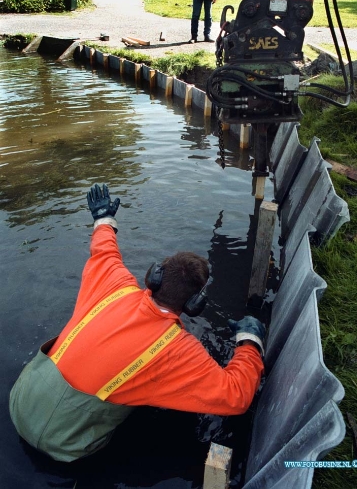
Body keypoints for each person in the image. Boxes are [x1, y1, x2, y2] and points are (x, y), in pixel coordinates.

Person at [9, 183, 265, 463]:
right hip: (64, 444)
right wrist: (249, 342)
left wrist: (103, 218)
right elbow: (236, 396)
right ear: (194, 306)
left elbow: (104, 250)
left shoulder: (114, 283)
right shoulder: (179, 351)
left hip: (20, 402)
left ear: (153, 276)